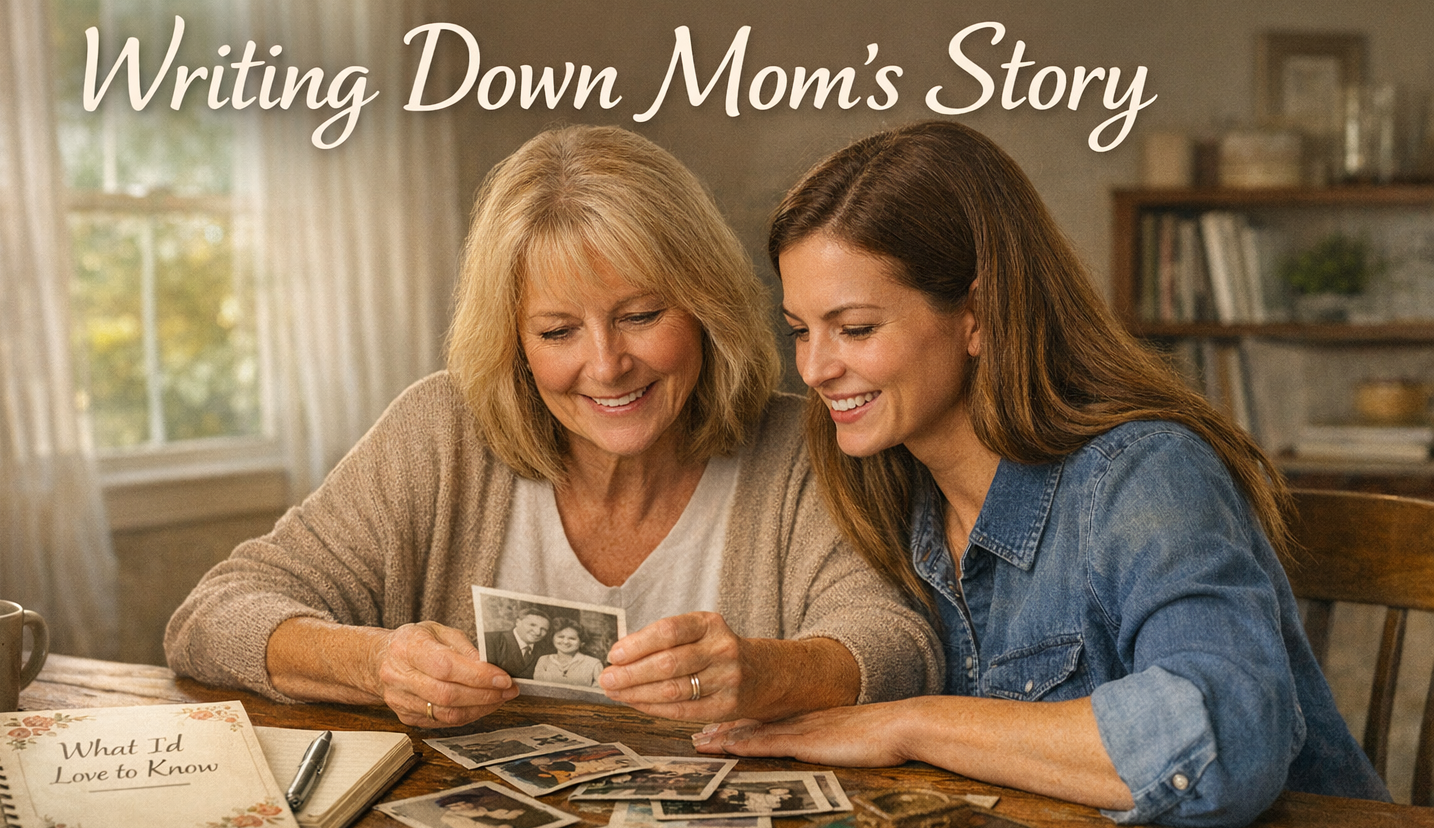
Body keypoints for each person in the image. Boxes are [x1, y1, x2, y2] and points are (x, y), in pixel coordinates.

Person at [694, 120, 1389, 828]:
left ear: (980, 314)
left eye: (857, 329)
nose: (813, 370)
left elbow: (1226, 743)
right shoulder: (887, 490)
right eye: (801, 330)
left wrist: (913, 724)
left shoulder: (1145, 474)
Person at [165, 125, 941, 728]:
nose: (606, 366)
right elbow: (212, 617)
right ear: (513, 342)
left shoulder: (803, 447)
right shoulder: (442, 434)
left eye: (641, 316)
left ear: (706, 309)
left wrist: (769, 672)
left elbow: (901, 643)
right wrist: (376, 663)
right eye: (558, 331)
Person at [486, 608, 553, 680]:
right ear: (518, 622)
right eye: (532, 625)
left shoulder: (547, 651)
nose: (537, 632)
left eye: (543, 629)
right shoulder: (490, 640)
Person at [532, 622, 604, 687]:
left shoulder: (594, 664)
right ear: (553, 639)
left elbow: (599, 695)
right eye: (561, 637)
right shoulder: (543, 660)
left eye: (572, 638)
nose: (565, 642)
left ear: (582, 643)